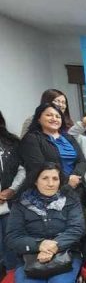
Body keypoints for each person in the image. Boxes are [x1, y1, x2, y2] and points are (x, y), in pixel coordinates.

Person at [6, 162, 85, 283]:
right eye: (45, 178)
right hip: (31, 256)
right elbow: (13, 237)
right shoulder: (21, 203)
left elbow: (77, 229)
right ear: (35, 180)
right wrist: (39, 245)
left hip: (65, 252)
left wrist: (54, 247)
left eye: (55, 178)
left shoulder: (70, 200)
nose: (51, 183)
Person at [20, 103, 86, 194]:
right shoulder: (31, 138)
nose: (54, 119)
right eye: (49, 115)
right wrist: (67, 180)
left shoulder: (68, 137)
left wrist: (75, 177)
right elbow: (37, 166)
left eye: (58, 116)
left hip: (75, 188)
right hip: (48, 190)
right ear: (38, 119)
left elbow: (81, 161)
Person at [0, 111, 25, 272]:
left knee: (13, 248)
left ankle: (13, 279)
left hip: (10, 203)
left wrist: (12, 189)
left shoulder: (12, 142)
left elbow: (22, 169)